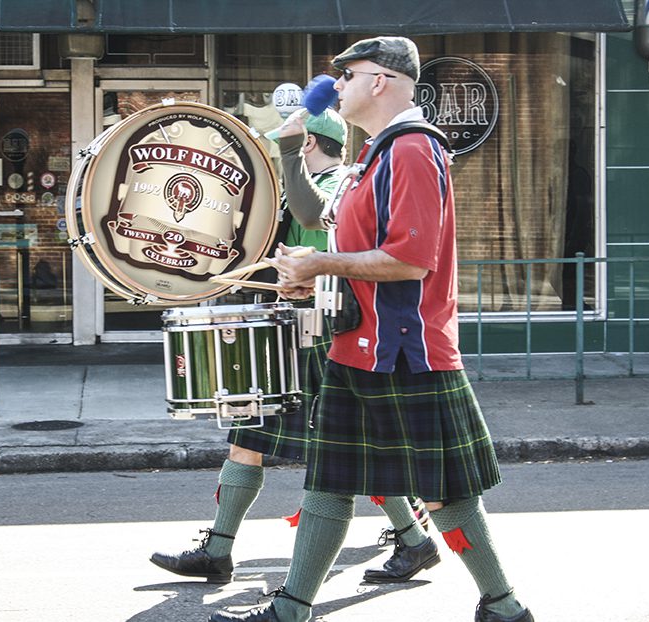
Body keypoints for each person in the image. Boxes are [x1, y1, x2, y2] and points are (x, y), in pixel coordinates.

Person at [210, 37, 533, 622]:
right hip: (358, 347)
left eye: (347, 75)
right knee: (328, 483)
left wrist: (320, 264)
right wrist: (312, 278)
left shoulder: (412, 150)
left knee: (445, 495)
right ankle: (292, 609)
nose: (336, 86)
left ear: (380, 80)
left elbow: (410, 261)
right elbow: (343, 240)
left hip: (403, 353)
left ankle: (505, 607)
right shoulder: (376, 156)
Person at [150, 109, 433, 585]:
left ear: (307, 144)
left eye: (287, 146)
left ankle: (415, 541)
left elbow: (331, 257)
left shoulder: (340, 187)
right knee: (249, 435)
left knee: (353, 446)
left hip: (325, 335)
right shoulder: (303, 188)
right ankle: (217, 551)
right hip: (293, 329)